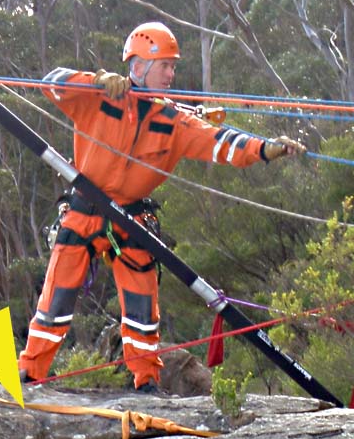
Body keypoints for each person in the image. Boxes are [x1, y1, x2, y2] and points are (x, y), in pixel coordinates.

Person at [18, 21, 306, 391]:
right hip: (85, 209)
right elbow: (52, 84)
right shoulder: (99, 97)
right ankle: (32, 370)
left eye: (173, 66)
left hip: (133, 218)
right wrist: (95, 81)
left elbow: (220, 141)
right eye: (165, 65)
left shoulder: (175, 121)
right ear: (138, 66)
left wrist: (266, 149)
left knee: (141, 305)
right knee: (57, 294)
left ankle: (146, 379)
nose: (172, 73)